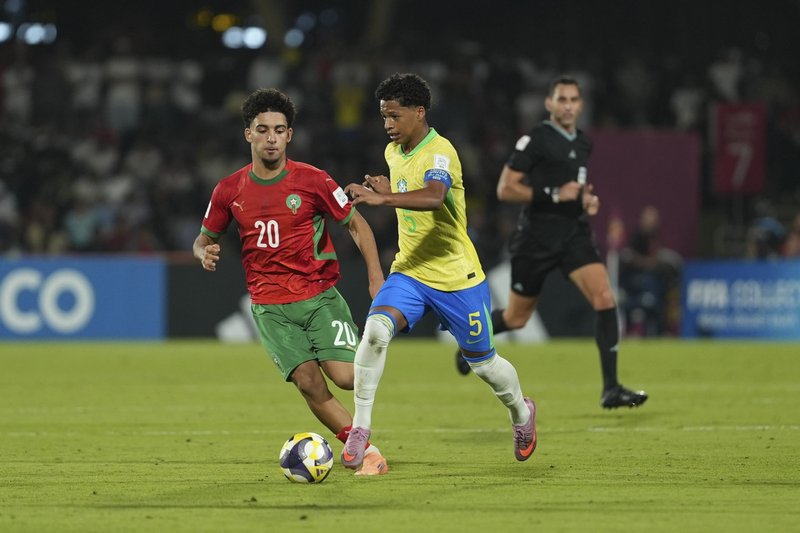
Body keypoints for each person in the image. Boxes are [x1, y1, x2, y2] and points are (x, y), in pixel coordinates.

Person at [341, 73, 537, 470]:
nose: (387, 124)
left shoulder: (440, 151)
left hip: (455, 277)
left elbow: (433, 196)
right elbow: (409, 193)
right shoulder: (393, 151)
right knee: (375, 332)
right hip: (410, 271)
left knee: (484, 365)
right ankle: (360, 428)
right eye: (383, 116)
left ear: (419, 112)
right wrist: (390, 188)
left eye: (394, 116)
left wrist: (382, 199)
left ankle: (522, 412)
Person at [193, 88, 388, 475]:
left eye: (279, 130)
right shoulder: (228, 190)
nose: (271, 138)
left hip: (318, 298)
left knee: (347, 377)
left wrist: (375, 277)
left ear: (289, 135)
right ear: (248, 134)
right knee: (309, 384)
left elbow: (356, 224)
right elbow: (203, 238)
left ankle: (377, 343)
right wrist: (203, 252)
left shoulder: (313, 180)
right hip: (270, 309)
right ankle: (367, 453)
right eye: (262, 129)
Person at [455, 75, 647, 410]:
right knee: (516, 318)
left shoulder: (584, 143)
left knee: (605, 299)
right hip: (536, 239)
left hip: (574, 235)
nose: (568, 106)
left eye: (573, 100)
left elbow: (574, 188)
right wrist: (556, 193)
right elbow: (506, 188)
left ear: (581, 105)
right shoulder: (536, 139)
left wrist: (585, 200)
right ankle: (469, 342)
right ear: (549, 104)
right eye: (562, 99)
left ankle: (611, 388)